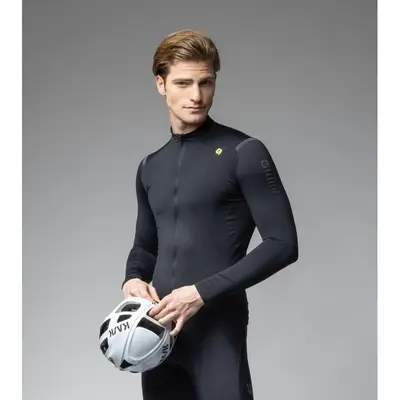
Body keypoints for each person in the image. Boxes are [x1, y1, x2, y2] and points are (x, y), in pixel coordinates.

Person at [121, 29, 299, 400]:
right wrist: (132, 279)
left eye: (206, 82)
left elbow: (283, 244)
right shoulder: (150, 167)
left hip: (218, 330)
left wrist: (200, 293)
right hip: (159, 332)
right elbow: (145, 246)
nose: (197, 95)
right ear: (161, 84)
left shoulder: (244, 152)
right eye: (183, 83)